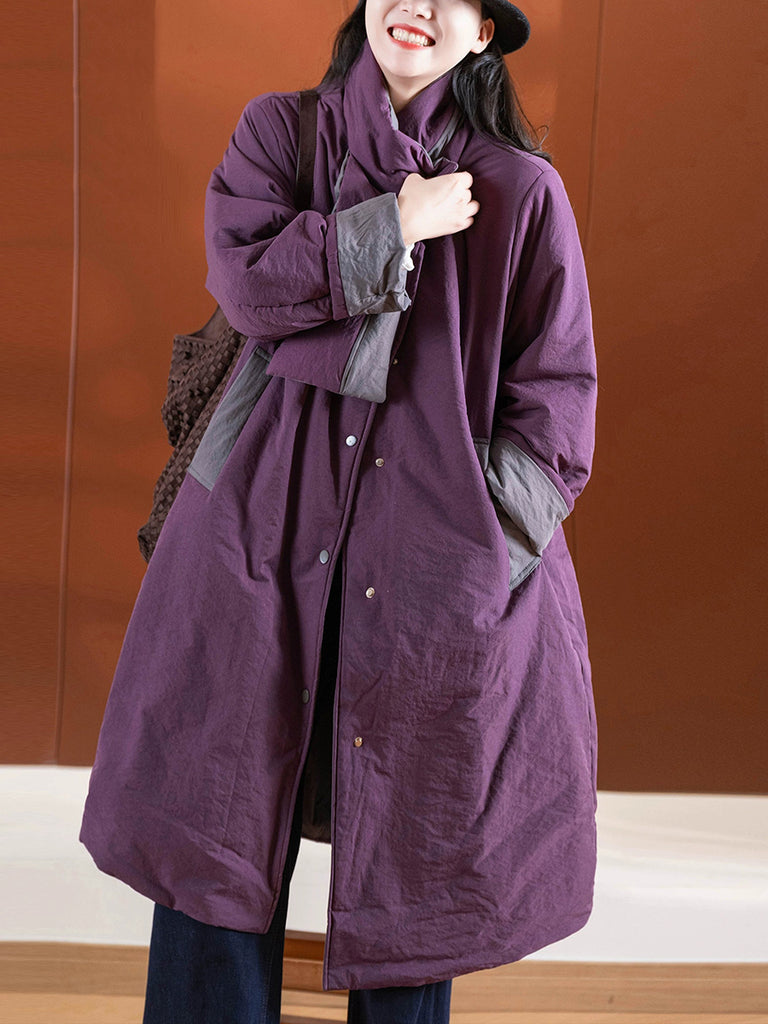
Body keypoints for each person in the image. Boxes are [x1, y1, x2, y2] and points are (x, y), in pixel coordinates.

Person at [79, 1, 599, 1021]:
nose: (418, 6)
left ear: (483, 35)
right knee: (216, 824)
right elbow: (246, 285)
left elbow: (557, 397)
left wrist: (481, 543)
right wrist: (391, 226)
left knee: (416, 848)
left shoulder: (522, 192)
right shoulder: (280, 133)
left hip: (435, 561)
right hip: (254, 533)